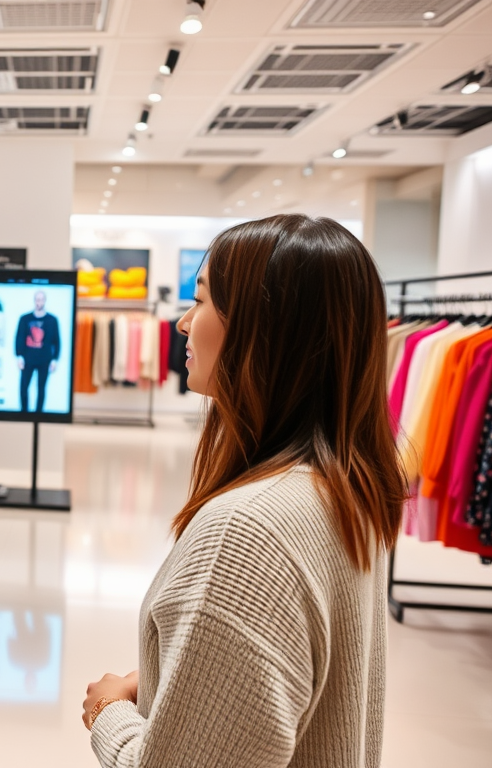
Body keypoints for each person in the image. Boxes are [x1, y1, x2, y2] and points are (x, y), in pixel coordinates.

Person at [82, 214, 405, 768]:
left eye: (202, 301)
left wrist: (108, 712)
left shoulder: (246, 531)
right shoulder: (346, 489)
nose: (184, 323)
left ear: (265, 327)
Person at [15, 290, 61, 413]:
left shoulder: (52, 320)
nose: (38, 302)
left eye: (41, 299)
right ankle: (24, 413)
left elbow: (56, 341)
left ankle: (38, 414)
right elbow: (19, 338)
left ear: (44, 301)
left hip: (44, 359)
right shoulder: (25, 319)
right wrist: (19, 356)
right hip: (27, 359)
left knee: (41, 387)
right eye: (37, 299)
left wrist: (55, 359)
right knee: (24, 387)